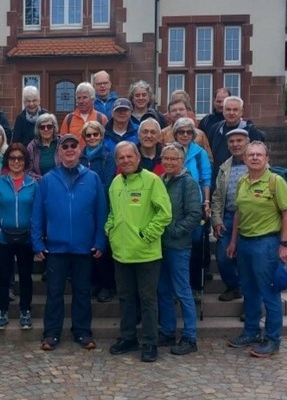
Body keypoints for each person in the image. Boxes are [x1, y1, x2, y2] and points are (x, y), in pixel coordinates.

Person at [32, 134, 108, 351]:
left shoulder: (92, 178)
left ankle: (82, 332)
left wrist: (100, 241)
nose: (69, 149)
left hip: (84, 246)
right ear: (59, 152)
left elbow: (101, 213)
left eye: (73, 146)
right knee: (54, 292)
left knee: (83, 291)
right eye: (64, 146)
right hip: (56, 246)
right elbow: (38, 213)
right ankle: (52, 333)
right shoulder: (47, 179)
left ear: (79, 150)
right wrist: (37, 242)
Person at [226, 141, 287, 358]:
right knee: (249, 291)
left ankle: (273, 339)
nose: (254, 158)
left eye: (259, 155)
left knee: (269, 293)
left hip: (267, 244)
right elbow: (238, 214)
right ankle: (251, 332)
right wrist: (234, 241)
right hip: (244, 242)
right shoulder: (243, 181)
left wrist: (284, 244)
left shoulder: (276, 182)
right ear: (244, 159)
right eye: (251, 155)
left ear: (267, 159)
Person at [106, 141, 172, 363]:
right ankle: (128, 338)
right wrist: (110, 229)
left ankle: (150, 342)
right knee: (125, 298)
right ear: (117, 161)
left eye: (129, 156)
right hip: (121, 252)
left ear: (138, 157)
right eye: (121, 158)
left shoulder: (152, 181)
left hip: (146, 253)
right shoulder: (115, 183)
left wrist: (147, 235)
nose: (125, 161)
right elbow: (113, 213)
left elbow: (164, 214)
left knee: (147, 299)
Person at [157, 143, 202, 355]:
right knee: (163, 291)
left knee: (183, 291)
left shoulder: (189, 183)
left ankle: (190, 337)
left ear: (181, 161)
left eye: (173, 159)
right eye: (165, 158)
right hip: (160, 246)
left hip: (178, 246)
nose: (169, 162)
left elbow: (194, 214)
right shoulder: (160, 181)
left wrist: (175, 230)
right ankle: (167, 331)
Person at [0, 143, 37, 330]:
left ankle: (25, 311)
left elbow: (38, 211)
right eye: (12, 158)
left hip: (26, 238)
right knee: (3, 276)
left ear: (25, 161)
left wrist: (38, 237)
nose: (16, 161)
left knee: (26, 276)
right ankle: (2, 311)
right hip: (3, 237)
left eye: (20, 158)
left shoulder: (33, 183)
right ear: (7, 161)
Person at [172, 117, 212, 298]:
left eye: (189, 132)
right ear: (175, 134)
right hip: (174, 205)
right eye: (181, 131)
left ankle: (194, 286)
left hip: (195, 204)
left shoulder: (199, 152)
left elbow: (206, 178)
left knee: (195, 244)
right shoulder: (170, 150)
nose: (185, 135)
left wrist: (207, 202)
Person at [79, 121, 116, 303]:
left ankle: (107, 285)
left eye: (95, 134)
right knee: (88, 246)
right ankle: (94, 282)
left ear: (101, 136)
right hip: (84, 209)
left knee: (103, 247)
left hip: (103, 206)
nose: (92, 138)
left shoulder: (108, 157)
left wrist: (87, 190)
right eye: (88, 135)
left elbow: (107, 183)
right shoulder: (80, 157)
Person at [211, 128, 249, 303]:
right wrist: (216, 220)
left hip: (251, 219)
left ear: (247, 142)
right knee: (223, 257)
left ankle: (250, 302)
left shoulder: (256, 163)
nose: (235, 144)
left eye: (239, 141)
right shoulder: (224, 167)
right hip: (228, 217)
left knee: (247, 260)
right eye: (232, 142)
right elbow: (217, 196)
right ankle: (234, 287)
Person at [208, 96, 265, 181]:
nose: (231, 113)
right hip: (219, 180)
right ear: (223, 111)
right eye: (228, 109)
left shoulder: (251, 131)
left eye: (235, 110)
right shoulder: (215, 129)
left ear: (241, 112)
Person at [161, 98, 213, 162]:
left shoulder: (200, 134)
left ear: (187, 111)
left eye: (181, 109)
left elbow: (209, 159)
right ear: (168, 113)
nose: (178, 112)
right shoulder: (163, 134)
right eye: (174, 110)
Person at [26, 113, 61, 179]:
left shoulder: (62, 143)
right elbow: (28, 170)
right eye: (42, 127)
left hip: (61, 183)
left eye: (49, 126)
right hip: (40, 184)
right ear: (38, 130)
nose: (46, 129)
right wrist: (42, 179)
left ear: (54, 128)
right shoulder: (32, 146)